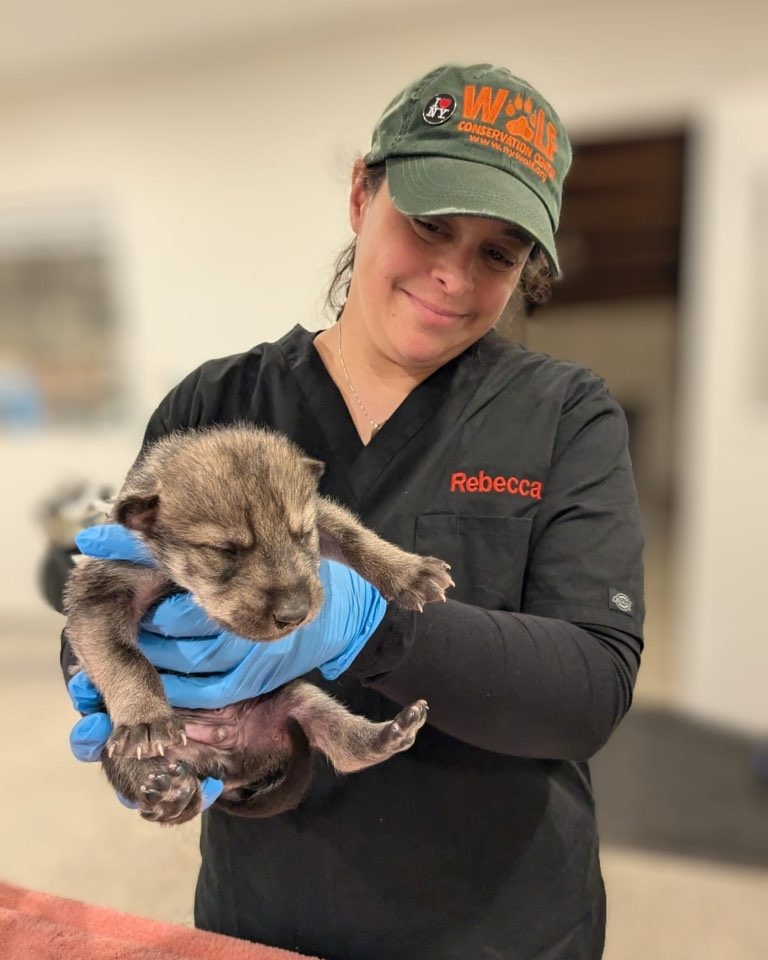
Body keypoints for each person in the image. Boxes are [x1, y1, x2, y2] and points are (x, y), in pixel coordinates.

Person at [50, 63, 644, 960]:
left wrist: (371, 628)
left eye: (498, 254)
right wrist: (122, 691)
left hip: (498, 920)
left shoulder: (565, 414)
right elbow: (111, 601)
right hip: (267, 905)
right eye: (430, 224)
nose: (452, 275)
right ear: (363, 194)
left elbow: (588, 694)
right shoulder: (215, 405)